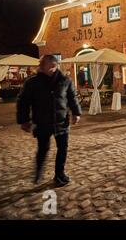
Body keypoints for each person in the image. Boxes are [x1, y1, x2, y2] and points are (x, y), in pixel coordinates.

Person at [17, 55, 82, 186]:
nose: (39, 65)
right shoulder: (32, 82)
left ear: (53, 66)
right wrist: (24, 120)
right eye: (40, 63)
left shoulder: (65, 80)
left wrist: (76, 112)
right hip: (42, 122)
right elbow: (23, 101)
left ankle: (59, 174)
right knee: (43, 149)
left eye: (42, 63)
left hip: (61, 122)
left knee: (62, 148)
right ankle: (39, 171)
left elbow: (72, 98)